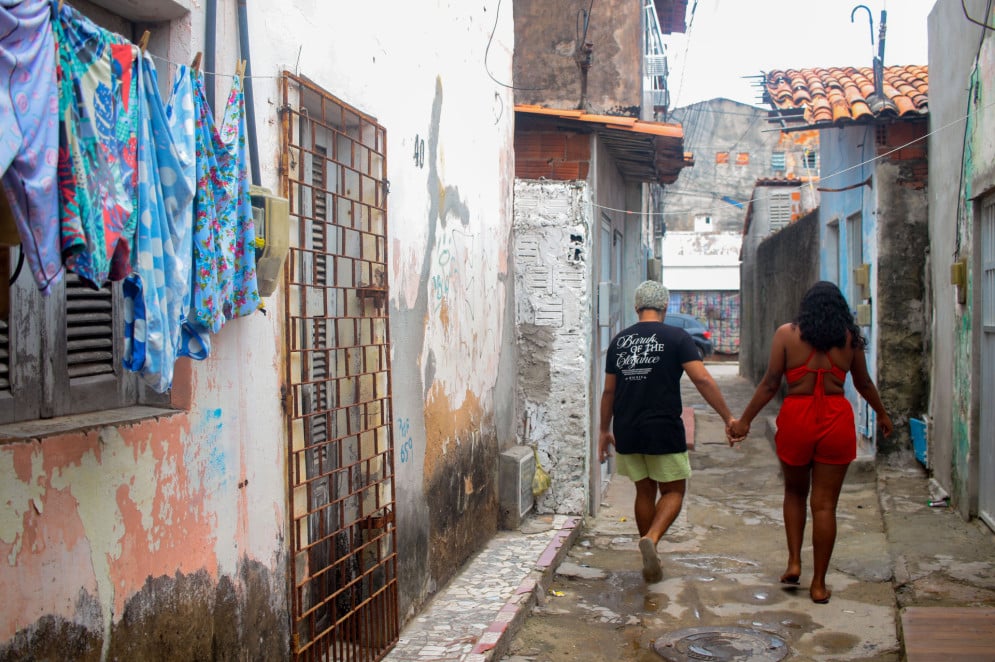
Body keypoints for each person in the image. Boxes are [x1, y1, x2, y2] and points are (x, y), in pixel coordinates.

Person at [727, 281, 893, 604]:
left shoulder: (786, 335)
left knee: (794, 492)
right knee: (825, 505)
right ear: (839, 308)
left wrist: (743, 420)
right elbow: (863, 382)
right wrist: (882, 415)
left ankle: (793, 562)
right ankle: (818, 584)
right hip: (835, 420)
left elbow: (770, 384)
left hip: (797, 418)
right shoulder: (849, 339)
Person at [599, 280, 737, 583]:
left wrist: (602, 431)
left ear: (637, 308)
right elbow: (702, 380)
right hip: (662, 427)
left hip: (627, 428)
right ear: (664, 307)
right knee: (674, 490)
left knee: (643, 490)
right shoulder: (677, 337)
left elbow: (608, 392)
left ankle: (649, 550)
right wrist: (727, 416)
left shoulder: (619, 341)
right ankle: (652, 538)